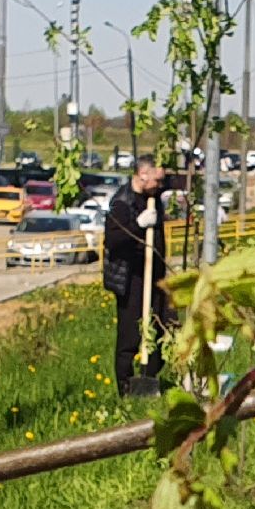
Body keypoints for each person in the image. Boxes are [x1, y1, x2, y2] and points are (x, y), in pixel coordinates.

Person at [103, 159, 172, 396]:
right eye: (157, 179)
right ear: (143, 174)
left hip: (156, 278)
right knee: (129, 337)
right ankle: (126, 388)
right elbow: (113, 241)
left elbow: (176, 180)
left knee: (165, 327)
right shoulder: (122, 203)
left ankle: (149, 377)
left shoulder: (152, 195)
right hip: (131, 280)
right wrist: (138, 224)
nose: (160, 184)